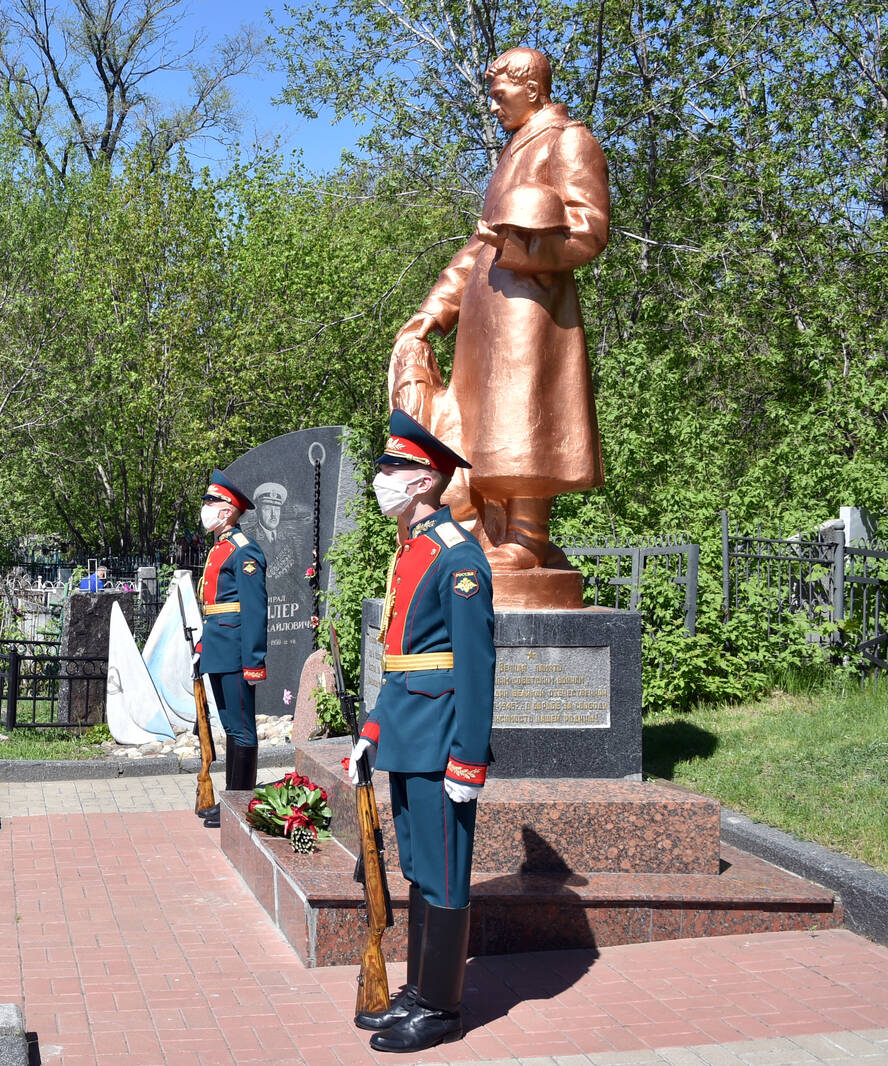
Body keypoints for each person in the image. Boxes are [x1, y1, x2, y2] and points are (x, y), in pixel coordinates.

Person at [391, 46, 607, 575]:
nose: (493, 106)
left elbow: (589, 229)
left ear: (531, 88)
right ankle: (493, 531)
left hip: (530, 316)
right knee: (481, 429)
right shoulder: (513, 150)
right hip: (487, 324)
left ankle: (529, 538)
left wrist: (519, 248)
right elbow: (475, 249)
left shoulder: (567, 140)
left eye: (499, 93)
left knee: (522, 424)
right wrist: (432, 313)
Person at [349, 410, 495, 1053]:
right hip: (408, 730)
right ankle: (418, 990)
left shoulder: (457, 557)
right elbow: (401, 660)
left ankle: (442, 1007)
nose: (382, 479)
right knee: (418, 868)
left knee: (444, 873)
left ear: (425, 480)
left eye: (393, 468)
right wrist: (373, 729)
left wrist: (469, 759)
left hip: (441, 741)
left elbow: (475, 666)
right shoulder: (413, 550)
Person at [195, 471, 267, 830]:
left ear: (227, 511)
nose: (205, 510)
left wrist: (255, 661)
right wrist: (202, 646)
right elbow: (215, 609)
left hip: (238, 653)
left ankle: (241, 805)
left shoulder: (244, 551)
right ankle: (230, 801)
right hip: (220, 649)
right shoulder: (219, 549)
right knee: (228, 728)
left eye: (211, 504)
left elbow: (254, 611)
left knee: (241, 730)